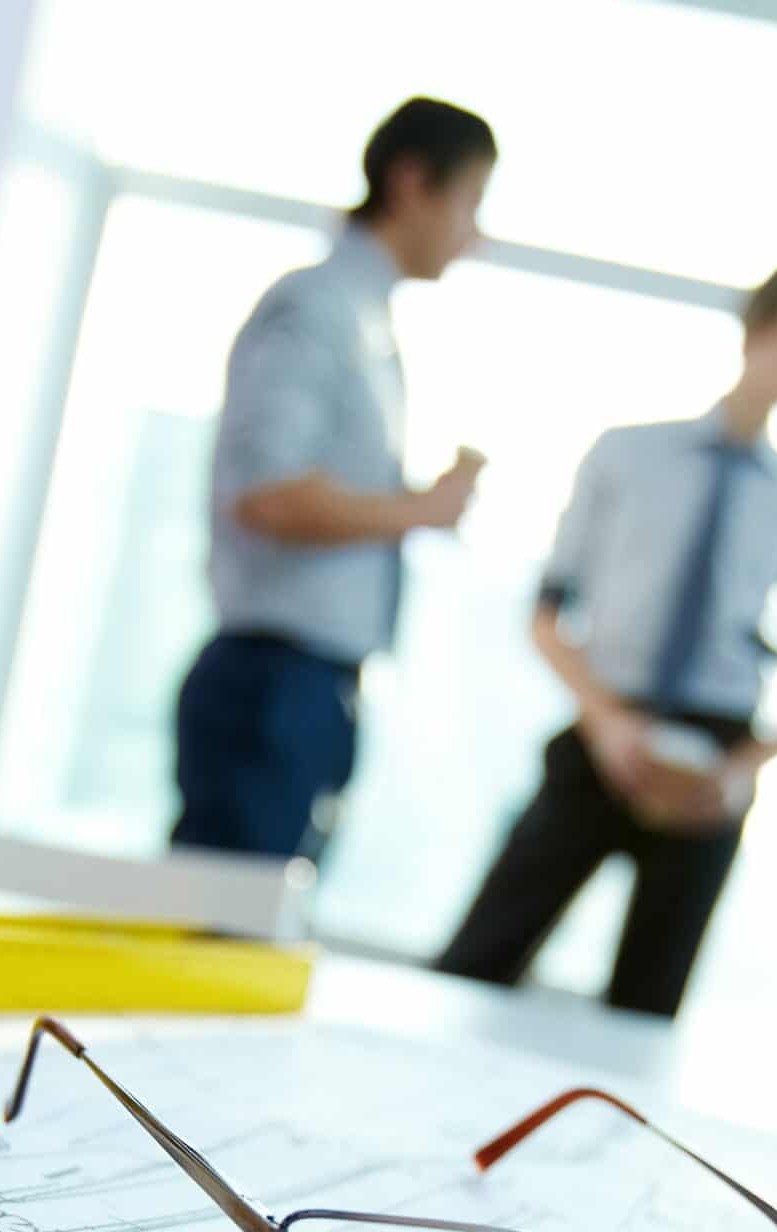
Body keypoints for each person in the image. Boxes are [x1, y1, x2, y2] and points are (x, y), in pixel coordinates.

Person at [432, 258, 777, 1018]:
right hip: (605, 730)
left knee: (648, 1008)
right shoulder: (626, 456)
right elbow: (547, 613)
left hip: (714, 764)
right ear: (762, 324)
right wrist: (609, 724)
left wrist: (740, 772)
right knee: (476, 960)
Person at [169, 97, 497, 861]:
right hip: (271, 685)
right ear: (413, 182)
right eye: (470, 201)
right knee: (223, 943)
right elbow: (271, 495)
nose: (475, 234)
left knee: (253, 943)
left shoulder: (363, 320)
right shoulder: (316, 308)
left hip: (310, 687)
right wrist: (422, 509)